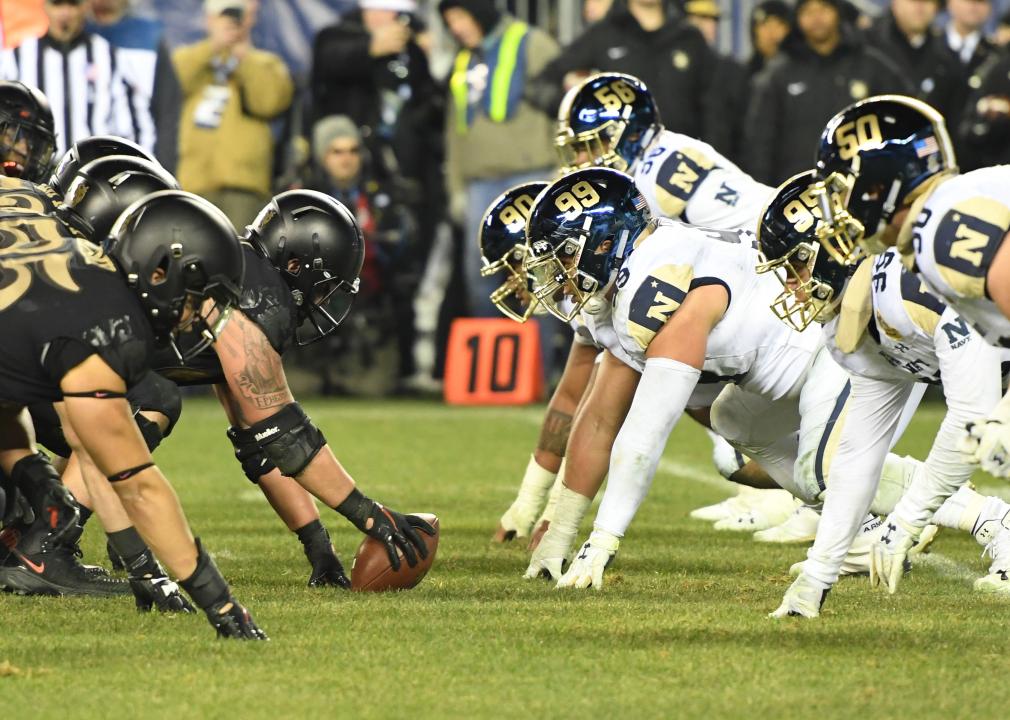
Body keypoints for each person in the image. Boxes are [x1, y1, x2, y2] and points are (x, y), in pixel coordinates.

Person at [519, 168, 927, 586]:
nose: (558, 274)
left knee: (821, 472)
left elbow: (645, 433)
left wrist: (603, 539)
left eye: (565, 255)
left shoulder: (655, 284)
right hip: (784, 364)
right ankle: (870, 531)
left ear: (606, 244)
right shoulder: (619, 290)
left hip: (836, 343)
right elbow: (601, 418)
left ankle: (981, 518)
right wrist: (562, 532)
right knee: (733, 422)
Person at [0, 181, 266, 639]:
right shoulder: (103, 328)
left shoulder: (69, 257)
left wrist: (35, 475)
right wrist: (222, 605)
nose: (202, 316)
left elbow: (15, 392)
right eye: (200, 298)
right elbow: (137, 485)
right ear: (160, 272)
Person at [554, 73, 805, 535]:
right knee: (702, 399)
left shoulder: (651, 181)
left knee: (697, 392)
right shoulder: (654, 163)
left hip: (786, 273)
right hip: (762, 269)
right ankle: (801, 490)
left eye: (591, 145)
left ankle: (816, 495)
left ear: (625, 134)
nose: (581, 160)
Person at [755, 171, 1010, 617]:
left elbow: (973, 413)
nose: (791, 291)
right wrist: (820, 571)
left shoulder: (913, 285)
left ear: (833, 249)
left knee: (995, 440)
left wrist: (907, 520)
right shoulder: (850, 326)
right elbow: (858, 453)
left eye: (796, 270)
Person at [151, 189, 436, 584]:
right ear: (297, 264)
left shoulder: (238, 274)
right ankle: (52, 541)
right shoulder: (258, 296)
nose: (322, 299)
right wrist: (371, 514)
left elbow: (260, 444)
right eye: (324, 285)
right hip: (72, 367)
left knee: (138, 398)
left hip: (82, 371)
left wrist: (319, 549)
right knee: (151, 401)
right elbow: (288, 436)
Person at [307, 114, 418, 393]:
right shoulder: (300, 198)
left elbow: (402, 261)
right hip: (313, 310)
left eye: (353, 151)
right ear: (322, 156)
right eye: (337, 152)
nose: (346, 159)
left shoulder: (384, 198)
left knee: (372, 388)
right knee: (302, 386)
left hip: (369, 309)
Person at [743, 0, 909, 184]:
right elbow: (759, 143)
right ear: (797, 18)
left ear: (837, 12)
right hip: (798, 194)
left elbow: (902, 120)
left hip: (860, 189)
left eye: (823, 9)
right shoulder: (778, 74)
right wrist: (762, 191)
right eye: (807, 11)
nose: (816, 18)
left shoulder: (871, 66)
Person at [527, 0, 725, 154]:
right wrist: (582, 111)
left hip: (682, 162)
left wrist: (711, 153)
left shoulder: (689, 36)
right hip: (623, 165)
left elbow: (714, 105)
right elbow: (540, 85)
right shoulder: (604, 34)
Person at [172, 0, 293, 229]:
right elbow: (171, 86)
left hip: (244, 187)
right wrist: (213, 47)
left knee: (241, 258)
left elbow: (268, 103)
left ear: (251, 19)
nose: (233, 22)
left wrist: (242, 57)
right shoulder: (188, 58)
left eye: (240, 15)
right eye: (224, 15)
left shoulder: (267, 63)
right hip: (192, 182)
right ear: (209, 20)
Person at [0, 0, 134, 156]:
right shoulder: (16, 59)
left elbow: (128, 127)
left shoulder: (110, 58)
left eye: (73, 4)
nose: (65, 13)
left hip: (94, 171)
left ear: (85, 6)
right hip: (35, 170)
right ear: (45, 6)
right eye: (57, 4)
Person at [88, 0, 182, 172]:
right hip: (83, 161)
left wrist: (165, 167)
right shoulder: (75, 35)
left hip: (140, 161)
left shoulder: (148, 36)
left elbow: (167, 109)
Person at [865, 0, 961, 124]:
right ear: (895, 3)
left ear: (936, 7)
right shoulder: (867, 46)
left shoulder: (948, 58)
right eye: (913, 1)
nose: (920, 8)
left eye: (928, 2)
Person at [747, 0, 791, 77]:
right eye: (765, 25)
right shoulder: (745, 74)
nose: (772, 32)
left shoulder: (803, 69)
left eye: (779, 24)